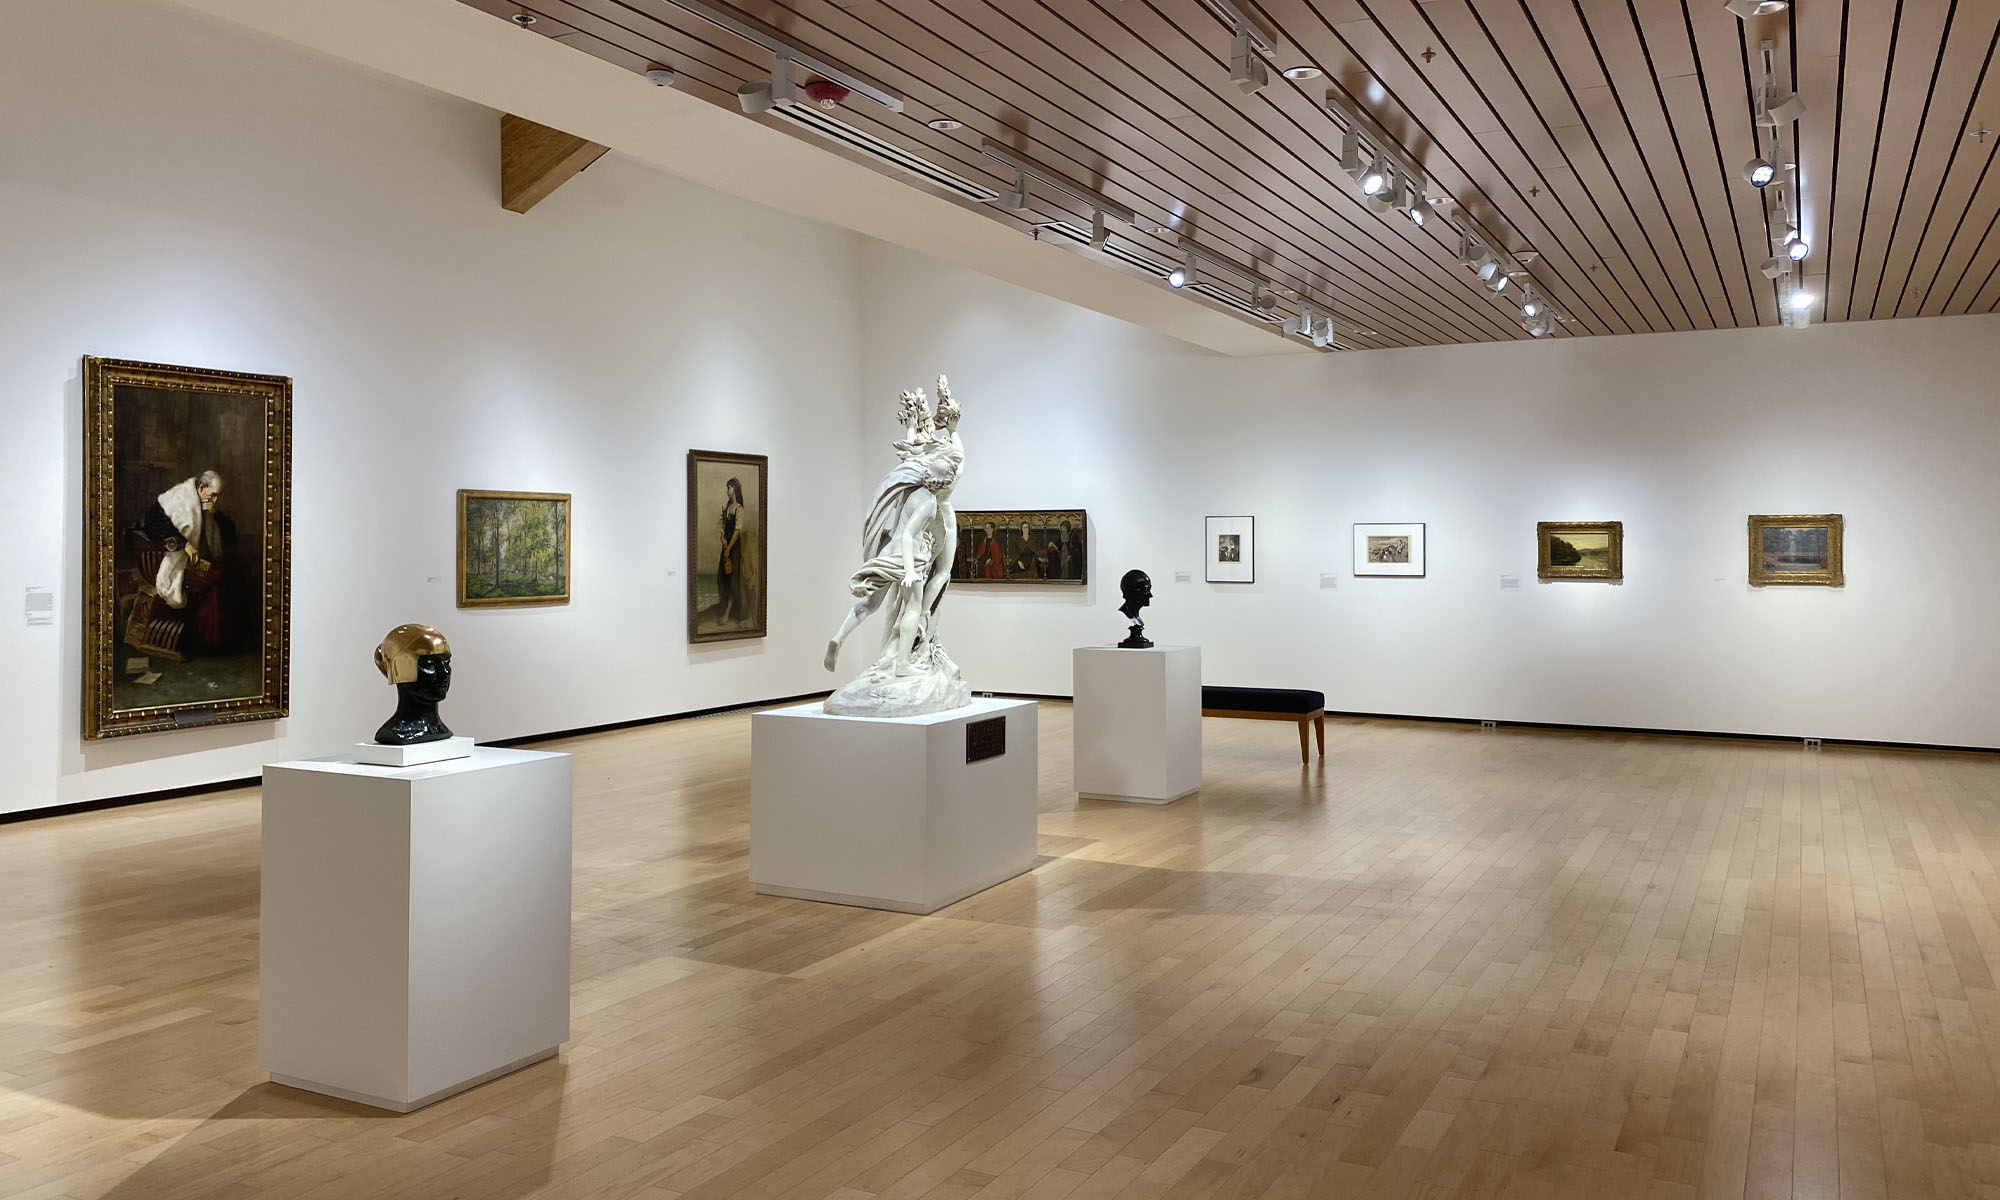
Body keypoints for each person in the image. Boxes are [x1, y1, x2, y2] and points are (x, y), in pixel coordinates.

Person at [140, 469, 231, 649]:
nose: (214, 501)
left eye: (217, 496)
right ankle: (206, 641)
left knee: (224, 572)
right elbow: (152, 523)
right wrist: (184, 544)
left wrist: (212, 514)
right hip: (167, 561)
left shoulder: (201, 502)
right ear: (202, 487)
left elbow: (220, 537)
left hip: (187, 560)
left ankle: (208, 638)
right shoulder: (181, 498)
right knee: (215, 578)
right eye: (212, 495)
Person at [714, 477, 748, 624]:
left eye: (729, 488)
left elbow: (737, 531)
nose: (727, 491)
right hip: (726, 547)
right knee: (724, 576)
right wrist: (723, 541)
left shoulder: (739, 509)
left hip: (733, 548)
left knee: (733, 578)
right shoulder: (727, 508)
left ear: (735, 489)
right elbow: (722, 528)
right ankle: (725, 608)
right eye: (727, 488)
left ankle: (728, 612)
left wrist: (729, 548)